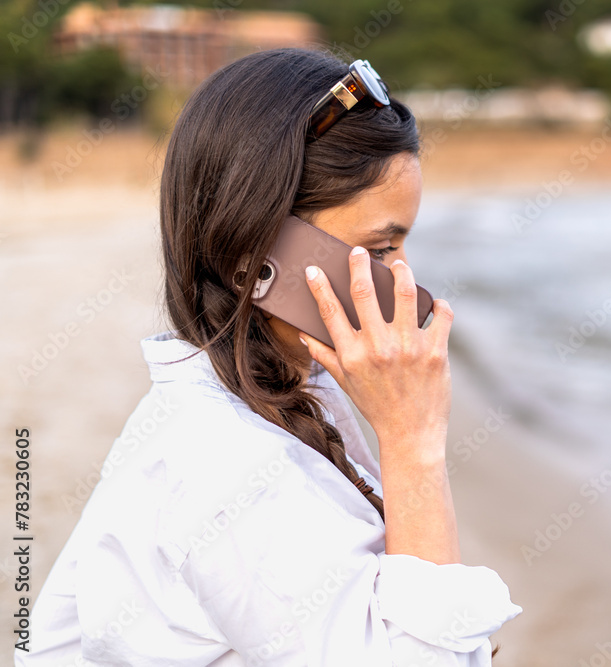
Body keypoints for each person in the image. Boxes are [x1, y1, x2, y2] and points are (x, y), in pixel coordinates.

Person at [16, 48, 521, 666]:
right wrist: (413, 439)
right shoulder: (230, 469)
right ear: (257, 258)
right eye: (380, 249)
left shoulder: (251, 398)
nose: (405, 281)